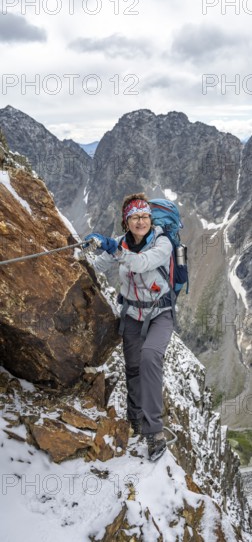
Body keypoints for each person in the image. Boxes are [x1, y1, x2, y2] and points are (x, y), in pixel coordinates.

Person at [84, 192, 174, 461]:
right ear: (126, 221)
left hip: (161, 314)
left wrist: (113, 248)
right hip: (132, 314)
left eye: (145, 216)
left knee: (150, 359)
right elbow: (97, 265)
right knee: (132, 368)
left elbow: (142, 262)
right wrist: (88, 250)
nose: (141, 221)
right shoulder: (123, 243)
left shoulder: (163, 243)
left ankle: (154, 432)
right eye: (135, 217)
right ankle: (135, 421)